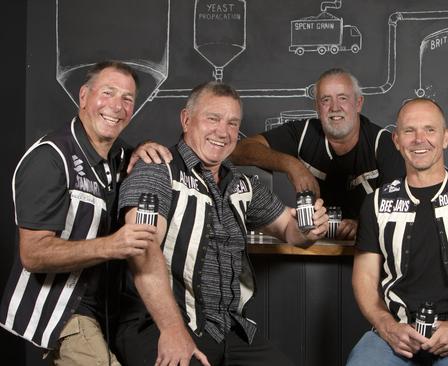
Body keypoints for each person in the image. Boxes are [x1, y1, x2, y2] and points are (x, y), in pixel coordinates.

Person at [115, 81, 329, 366]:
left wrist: (309, 230)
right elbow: (142, 251)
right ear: (186, 120)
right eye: (212, 118)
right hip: (158, 324)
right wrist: (172, 329)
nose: (223, 132)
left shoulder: (242, 184)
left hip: (225, 330)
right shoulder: (157, 169)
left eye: (232, 123)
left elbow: (289, 231)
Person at [0, 61, 171, 365]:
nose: (117, 107)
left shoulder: (120, 157)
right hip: (64, 311)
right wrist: (114, 245)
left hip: (111, 311)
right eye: (108, 93)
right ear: (83, 97)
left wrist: (143, 148)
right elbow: (33, 253)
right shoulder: (50, 158)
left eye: (127, 99)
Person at [347, 98, 448, 366]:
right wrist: (387, 326)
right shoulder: (376, 202)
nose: (419, 139)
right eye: (409, 131)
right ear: (397, 140)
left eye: (430, 130)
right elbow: (364, 277)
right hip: (396, 332)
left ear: (446, 138)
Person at [231, 68, 405, 239]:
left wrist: (363, 224)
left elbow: (399, 208)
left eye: (343, 98)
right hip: (312, 249)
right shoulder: (304, 132)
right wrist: (292, 165)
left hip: (368, 251)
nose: (334, 107)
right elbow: (239, 150)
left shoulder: (382, 143)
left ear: (358, 103)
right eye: (325, 100)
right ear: (317, 106)